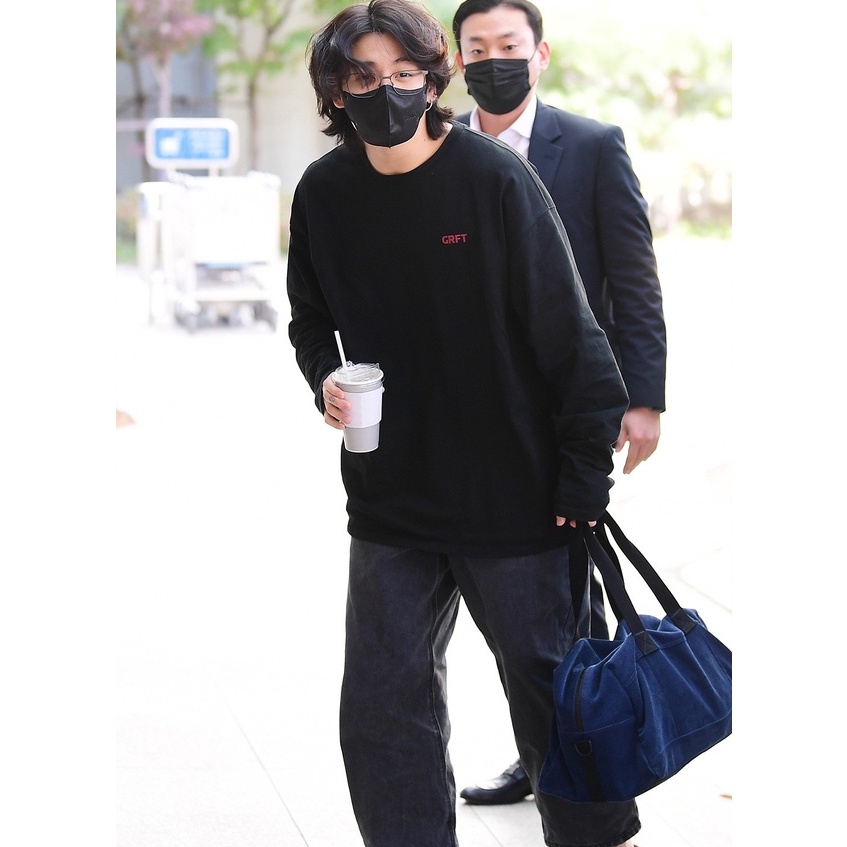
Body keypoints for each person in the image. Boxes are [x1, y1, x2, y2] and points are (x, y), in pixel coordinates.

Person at [287, 2, 640, 845]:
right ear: (334, 92)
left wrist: (582, 477)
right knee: (381, 705)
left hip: (516, 493)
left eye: (404, 73)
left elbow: (573, 337)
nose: (386, 91)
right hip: (391, 494)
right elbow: (310, 321)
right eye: (364, 78)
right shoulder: (324, 193)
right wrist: (325, 378)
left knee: (555, 695)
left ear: (432, 78)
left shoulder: (491, 178)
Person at [451, 0, 667, 806]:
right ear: (457, 59)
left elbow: (634, 280)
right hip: (475, 411)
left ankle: (585, 756)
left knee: (566, 588)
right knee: (528, 599)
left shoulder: (591, 146)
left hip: (568, 406)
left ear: (539, 54)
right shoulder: (440, 145)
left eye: (508, 44)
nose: (493, 59)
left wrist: (642, 399)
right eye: (477, 48)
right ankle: (549, 747)